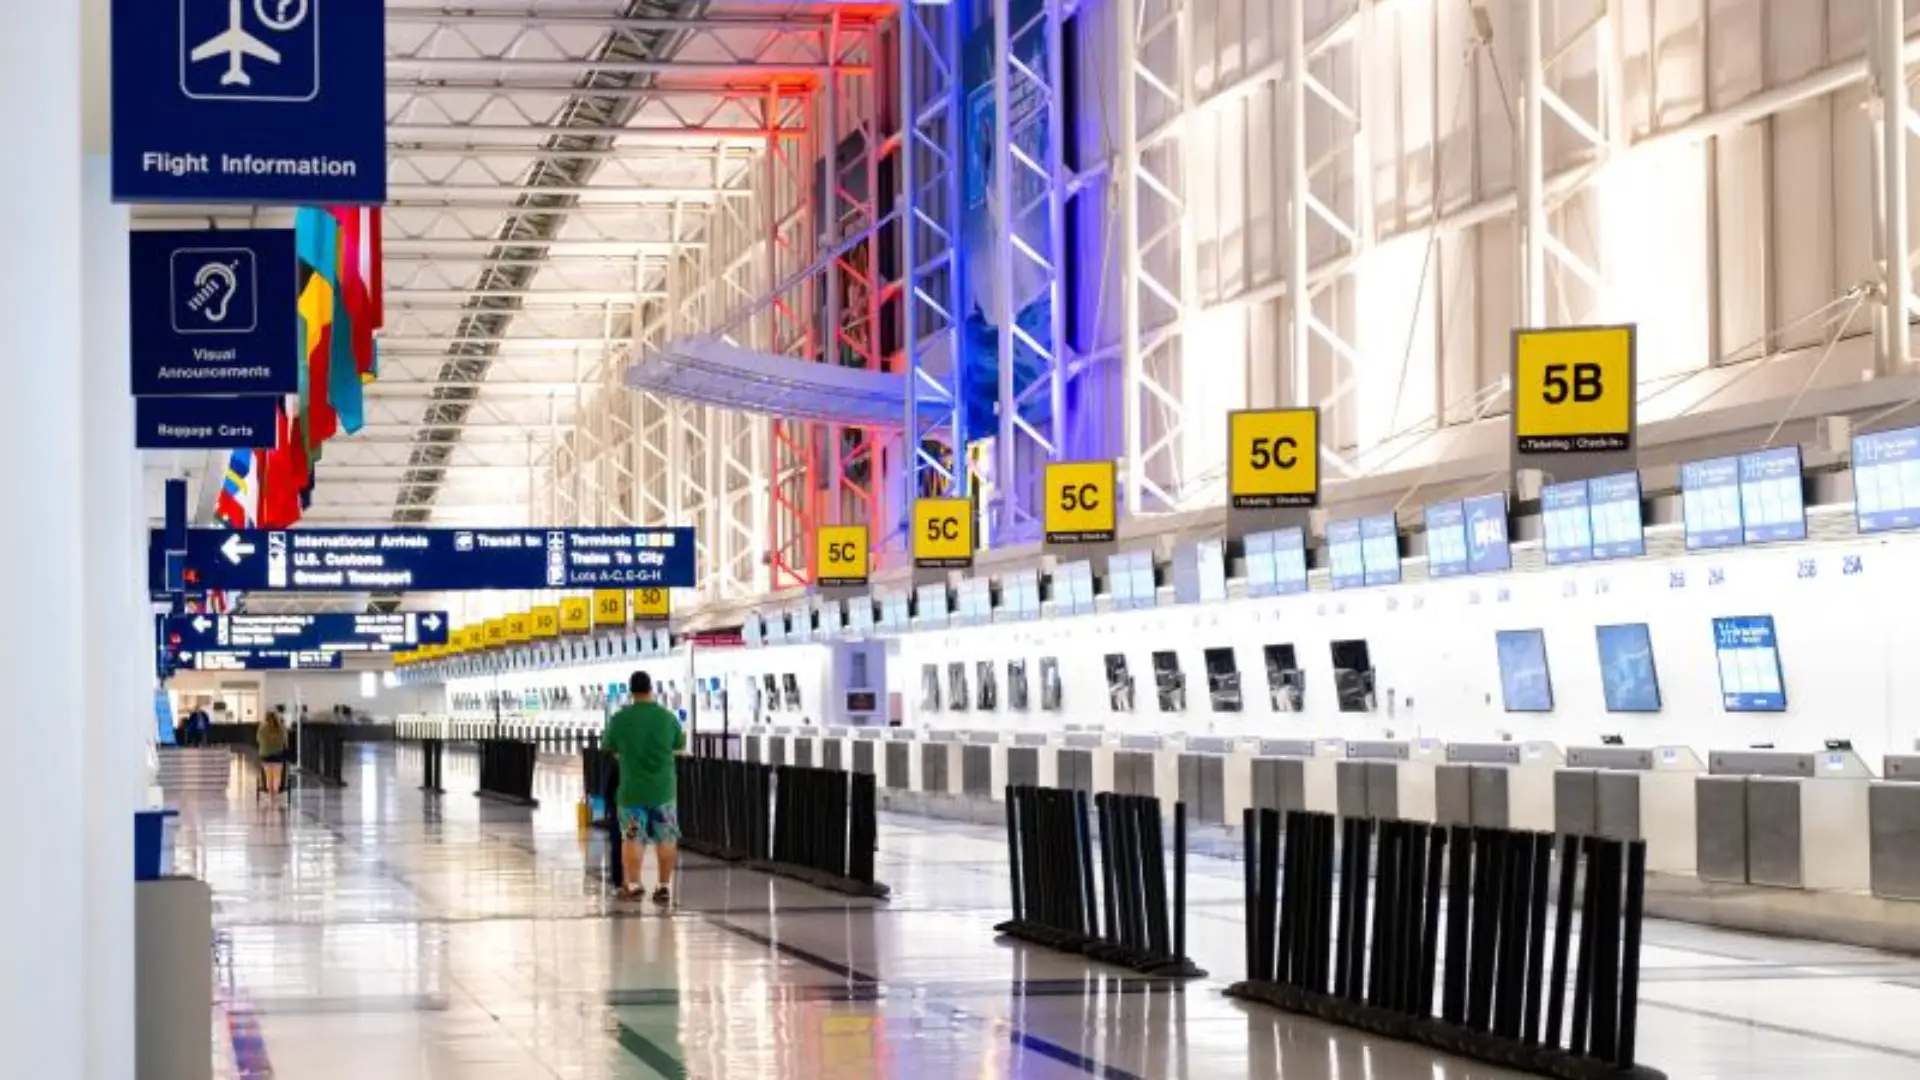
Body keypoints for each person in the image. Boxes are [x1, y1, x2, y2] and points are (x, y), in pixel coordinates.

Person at [601, 670, 686, 904]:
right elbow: (679, 746)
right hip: (663, 791)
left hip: (632, 791)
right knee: (666, 838)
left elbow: (609, 747)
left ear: (631, 691)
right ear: (651, 689)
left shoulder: (620, 719)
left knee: (632, 838)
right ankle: (663, 886)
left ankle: (634, 884)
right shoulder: (667, 718)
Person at [257, 708, 290, 797]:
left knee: (268, 776)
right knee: (277, 776)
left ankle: (271, 797)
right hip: (278, 755)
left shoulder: (262, 728)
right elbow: (285, 742)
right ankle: (275, 794)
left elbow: (258, 740)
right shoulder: (281, 728)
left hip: (265, 755)